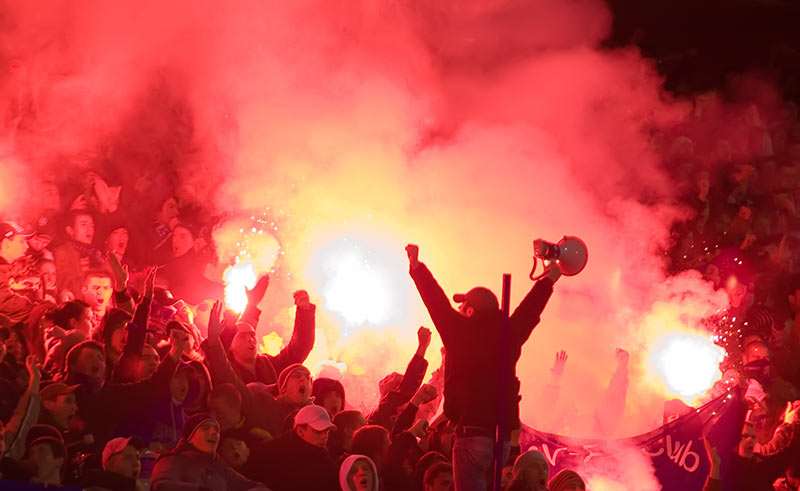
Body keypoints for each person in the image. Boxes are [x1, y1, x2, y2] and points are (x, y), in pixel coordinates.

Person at [405, 243, 560, 491]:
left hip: (470, 433)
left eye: (462, 307)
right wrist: (550, 278)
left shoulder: (459, 331)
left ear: (470, 310)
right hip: (501, 437)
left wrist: (417, 267)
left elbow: (436, 302)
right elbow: (531, 309)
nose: (458, 310)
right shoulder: (509, 333)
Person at [149, 414, 269, 491]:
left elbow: (251, 486)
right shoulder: (173, 460)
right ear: (190, 437)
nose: (214, 433)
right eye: (205, 428)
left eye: (216, 430)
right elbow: (161, 485)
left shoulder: (219, 465)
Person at [245, 404, 339, 491]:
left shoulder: (324, 459)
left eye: (327, 431)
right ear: (300, 431)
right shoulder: (272, 453)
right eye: (318, 432)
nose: (324, 436)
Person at [53, 211, 102, 297]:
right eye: (84, 224)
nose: (89, 229)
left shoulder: (95, 254)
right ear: (70, 230)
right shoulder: (62, 252)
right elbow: (64, 286)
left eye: (92, 226)